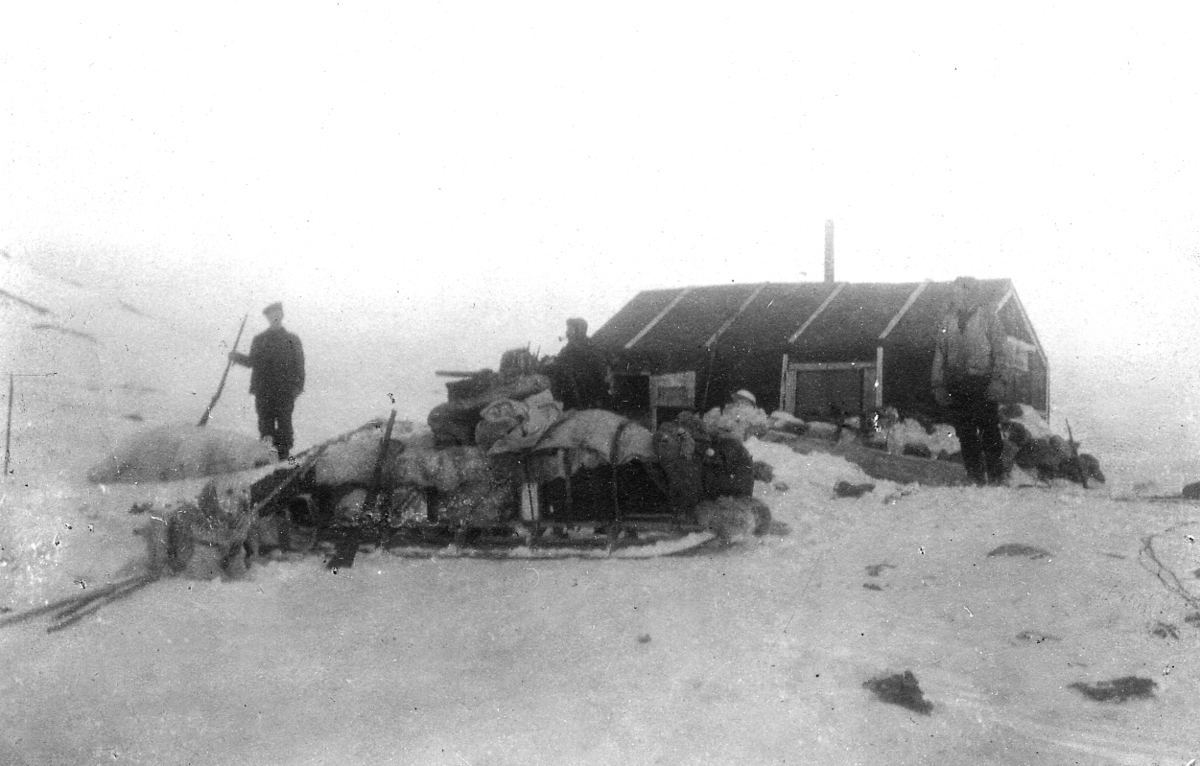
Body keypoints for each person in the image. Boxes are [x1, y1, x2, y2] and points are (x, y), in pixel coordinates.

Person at [931, 277, 1008, 485]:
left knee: (989, 430)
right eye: (953, 292)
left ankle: (996, 477)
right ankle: (974, 476)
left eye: (958, 292)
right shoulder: (948, 321)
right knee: (965, 433)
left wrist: (997, 381)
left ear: (970, 293)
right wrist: (938, 384)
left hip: (982, 383)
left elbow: (1001, 352)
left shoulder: (988, 318)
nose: (954, 296)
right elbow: (940, 353)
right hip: (958, 383)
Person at [229, 302, 305, 459]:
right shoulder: (259, 340)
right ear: (267, 318)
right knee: (266, 428)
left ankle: (285, 463)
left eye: (277, 314)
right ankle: (268, 463)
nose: (275, 317)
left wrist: (297, 387)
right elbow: (252, 361)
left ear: (282, 315)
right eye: (271, 315)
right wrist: (236, 357)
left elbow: (300, 365)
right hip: (264, 391)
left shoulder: (292, 340)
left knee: (285, 428)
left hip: (285, 392)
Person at [550, 318, 611, 411]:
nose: (567, 332)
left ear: (578, 330)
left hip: (586, 396)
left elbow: (600, 371)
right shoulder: (570, 348)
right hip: (573, 396)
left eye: (570, 329)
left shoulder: (588, 348)